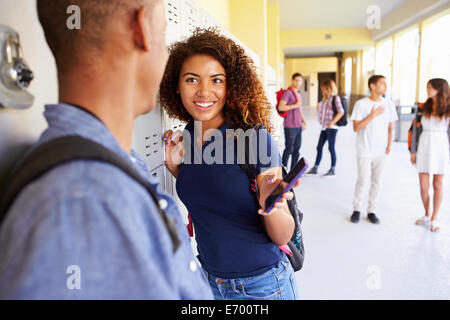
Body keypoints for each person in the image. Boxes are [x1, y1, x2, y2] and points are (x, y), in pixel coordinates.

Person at [0, 0, 213, 299]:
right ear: (141, 29)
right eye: (162, 34)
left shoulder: (119, 166)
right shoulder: (84, 203)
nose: (165, 56)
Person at [160, 28, 300, 300]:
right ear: (176, 85)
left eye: (216, 80)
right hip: (209, 283)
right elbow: (210, 193)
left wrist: (271, 206)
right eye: (192, 80)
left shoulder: (254, 140)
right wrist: (176, 169)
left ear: (230, 86)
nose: (203, 91)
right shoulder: (187, 137)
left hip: (262, 286)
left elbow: (282, 236)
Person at [350, 75, 398, 224]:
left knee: (377, 182)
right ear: (372, 85)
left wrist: (389, 146)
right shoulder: (361, 104)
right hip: (364, 149)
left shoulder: (389, 104)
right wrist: (372, 115)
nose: (385, 87)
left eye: (386, 84)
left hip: (381, 150)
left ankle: (372, 210)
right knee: (363, 180)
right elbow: (356, 127)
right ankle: (357, 209)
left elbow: (390, 127)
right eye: (382, 84)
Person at [410, 78, 450, 232]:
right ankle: (426, 213)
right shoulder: (422, 107)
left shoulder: (448, 108)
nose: (428, 90)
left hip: (441, 147)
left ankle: (435, 217)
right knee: (423, 186)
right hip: (424, 145)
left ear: (440, 89)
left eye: (430, 87)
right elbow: (414, 131)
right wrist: (413, 151)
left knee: (438, 184)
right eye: (427, 87)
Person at [305, 79, 344, 177]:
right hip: (324, 127)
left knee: (331, 148)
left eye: (325, 89)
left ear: (330, 88)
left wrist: (332, 123)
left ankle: (333, 169)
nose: (324, 92)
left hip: (332, 128)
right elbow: (321, 113)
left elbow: (341, 112)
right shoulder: (326, 99)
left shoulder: (335, 98)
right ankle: (315, 168)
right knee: (319, 147)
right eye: (323, 90)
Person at [278, 73, 307, 170]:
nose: (298, 82)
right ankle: (283, 170)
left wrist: (304, 121)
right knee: (289, 149)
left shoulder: (298, 94)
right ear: (292, 80)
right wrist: (294, 105)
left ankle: (293, 171)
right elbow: (281, 107)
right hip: (289, 126)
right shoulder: (288, 93)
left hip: (298, 125)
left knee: (296, 150)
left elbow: (300, 109)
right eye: (296, 80)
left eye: (300, 80)